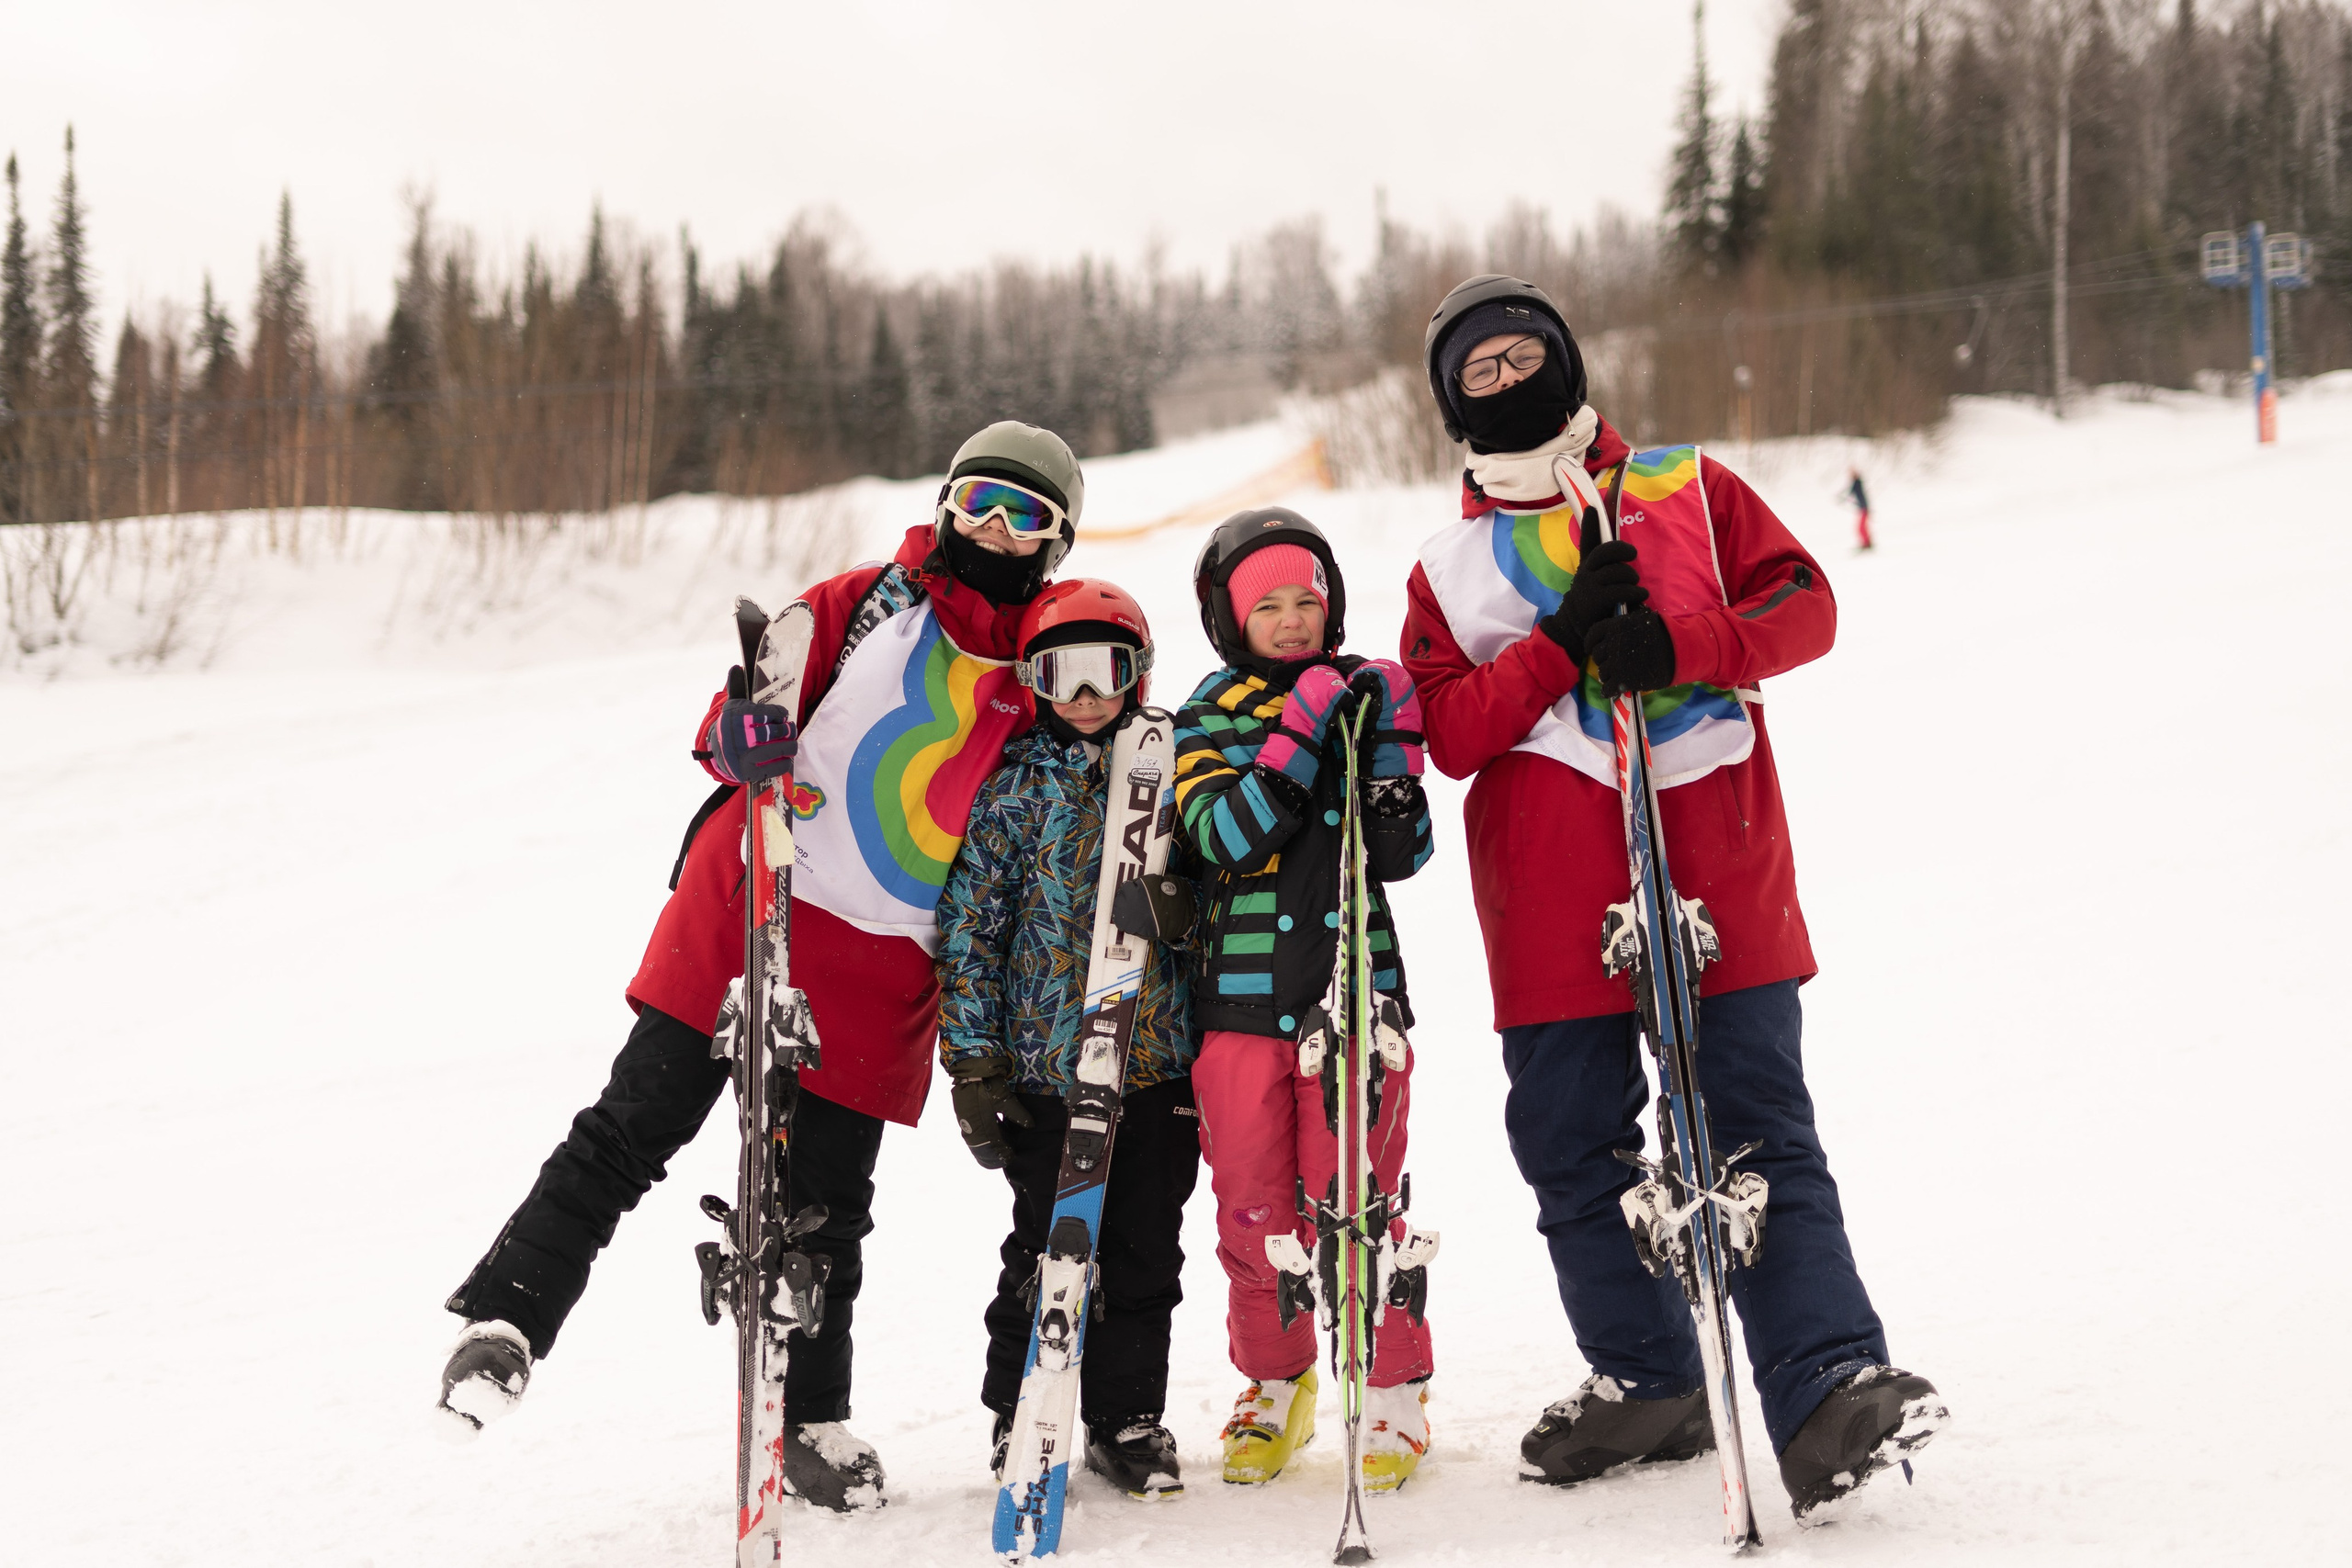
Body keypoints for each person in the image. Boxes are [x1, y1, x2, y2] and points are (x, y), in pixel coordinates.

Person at [436, 421, 1088, 1513]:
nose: (993, 530)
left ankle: (808, 1418)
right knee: (634, 1123)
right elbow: (743, 705)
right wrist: (740, 734)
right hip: (752, 909)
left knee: (825, 1207)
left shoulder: (1041, 660)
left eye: (1024, 516)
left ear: (1056, 543)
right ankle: (507, 1320)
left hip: (883, 962)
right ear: (944, 501)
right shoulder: (864, 602)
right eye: (978, 501)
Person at [1399, 275, 1945, 1520]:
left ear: (1569, 359)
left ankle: (1825, 1384)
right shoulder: (1451, 565)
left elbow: (1805, 607)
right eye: (1476, 371)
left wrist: (1684, 646)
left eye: (1524, 355)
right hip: (1549, 905)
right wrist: (1557, 643)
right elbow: (1450, 728)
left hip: (1715, 862)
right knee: (1572, 1140)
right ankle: (1650, 1375)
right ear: (1450, 406)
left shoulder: (1687, 489)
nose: (1507, 379)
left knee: (1750, 1121)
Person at [1173, 511, 1438, 1495]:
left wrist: (1391, 748)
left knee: (1361, 1201)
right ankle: (1273, 1383)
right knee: (1253, 1209)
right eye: (1267, 606)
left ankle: (1392, 1388)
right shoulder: (1206, 713)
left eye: (1306, 602)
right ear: (1230, 620)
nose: (1290, 621)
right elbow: (1227, 837)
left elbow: (1402, 855)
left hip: (1355, 998)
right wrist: (1300, 725)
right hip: (1239, 1008)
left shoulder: (1360, 700)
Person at [934, 578, 1202, 1500]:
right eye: (1062, 673)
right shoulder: (1012, 785)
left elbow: (1232, 869)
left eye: (1107, 671)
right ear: (1033, 680)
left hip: (1157, 1063)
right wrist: (975, 1062)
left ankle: (1126, 1419)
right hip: (1050, 1070)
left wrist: (1189, 907)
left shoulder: (1178, 764)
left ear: (1139, 673)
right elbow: (972, 927)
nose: (1086, 694)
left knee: (1143, 1247)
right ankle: (1022, 1407)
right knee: (1044, 1246)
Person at [1845, 468, 1874, 551]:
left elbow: (1851, 492)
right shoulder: (1857, 483)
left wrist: (1843, 498)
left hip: (1863, 508)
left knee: (1861, 527)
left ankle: (1866, 543)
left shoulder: (1857, 483)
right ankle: (1867, 543)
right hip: (1863, 507)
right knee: (1862, 527)